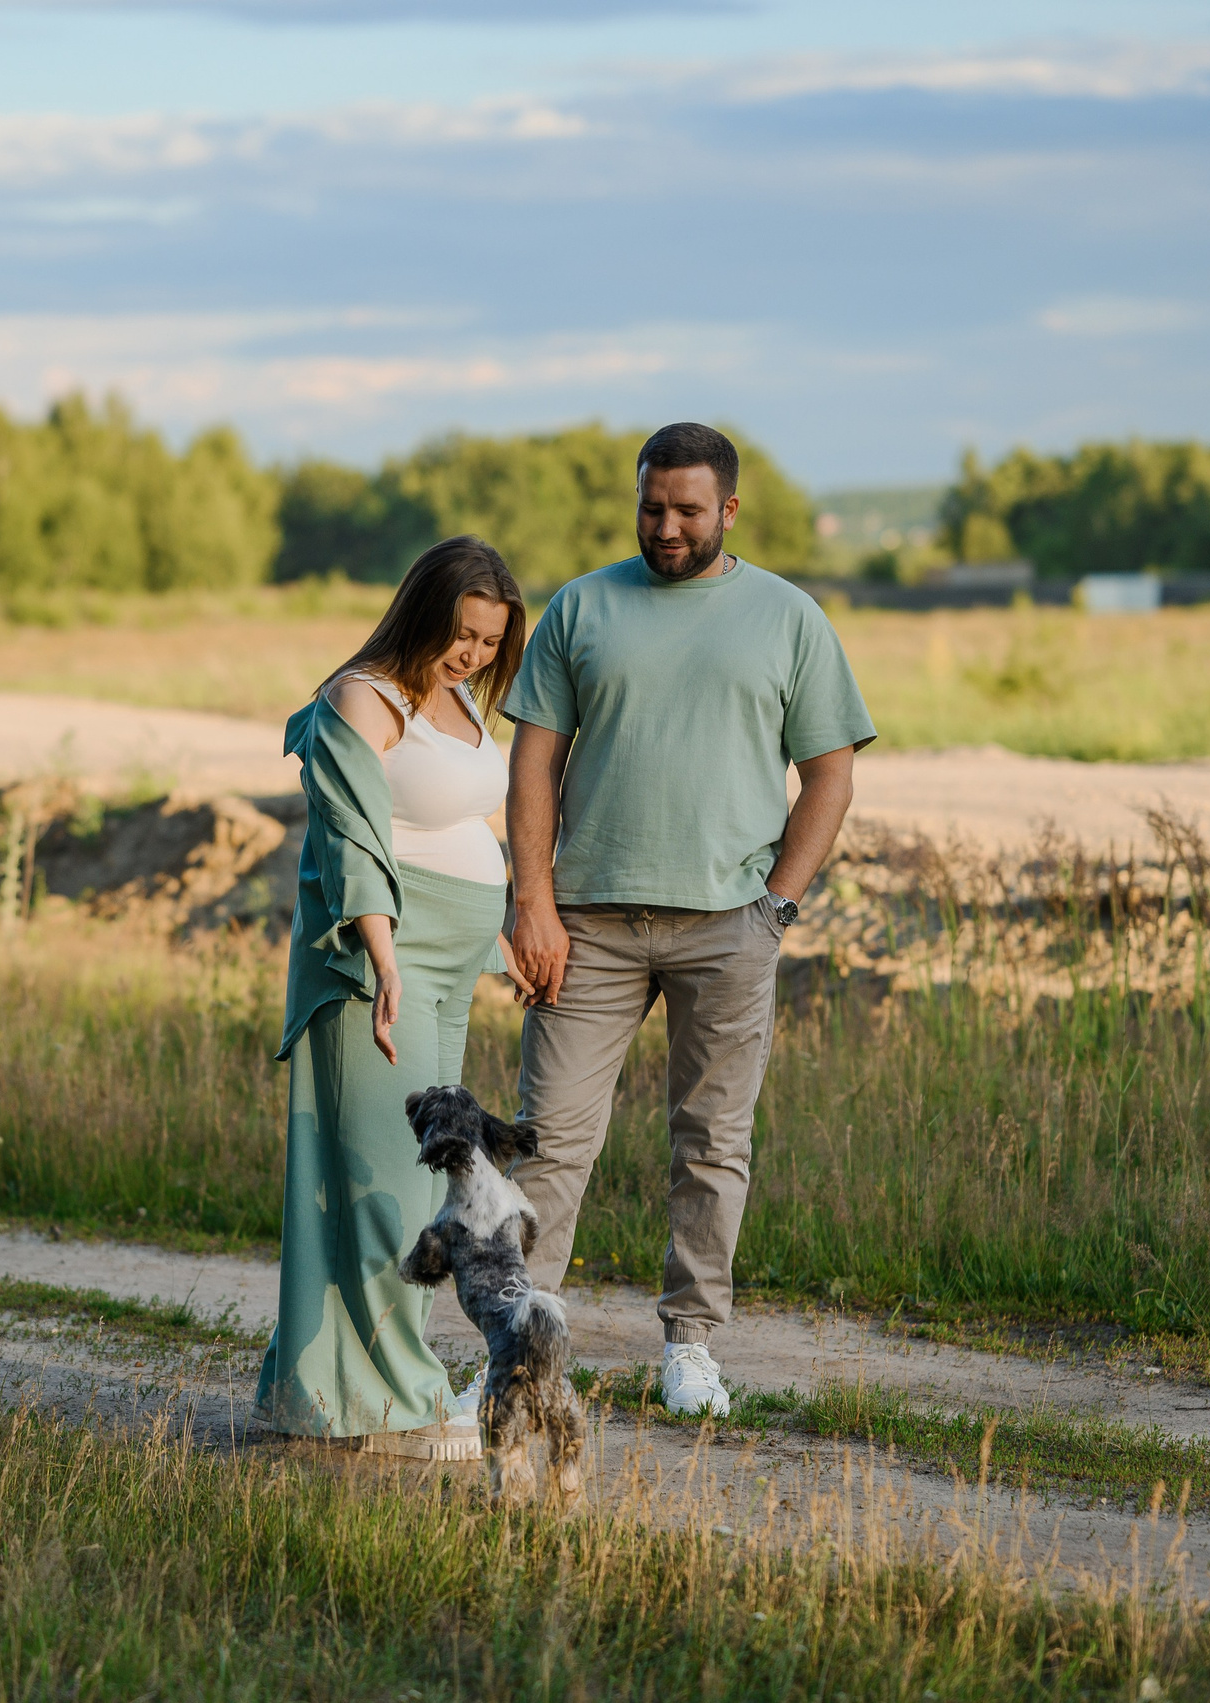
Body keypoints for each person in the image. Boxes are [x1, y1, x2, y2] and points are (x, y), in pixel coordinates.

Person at [501, 422, 875, 1419]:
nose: (665, 526)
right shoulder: (581, 607)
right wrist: (529, 898)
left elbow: (830, 771)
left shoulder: (788, 617)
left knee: (712, 1139)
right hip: (584, 923)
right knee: (548, 1140)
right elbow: (532, 760)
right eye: (650, 507)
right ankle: (521, 1343)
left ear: (729, 511)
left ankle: (691, 1344)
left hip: (728, 924)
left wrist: (775, 908)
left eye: (686, 511)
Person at [255, 535, 534, 1457]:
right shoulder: (362, 698)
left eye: (490, 641)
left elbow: (455, 820)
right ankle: (399, 1410)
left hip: (450, 963)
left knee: (412, 1178)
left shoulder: (455, 699)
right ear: (422, 610)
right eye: (461, 633)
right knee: (379, 1184)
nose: (473, 654)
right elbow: (351, 839)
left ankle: (350, 1398)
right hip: (388, 962)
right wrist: (384, 961)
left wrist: (495, 929)